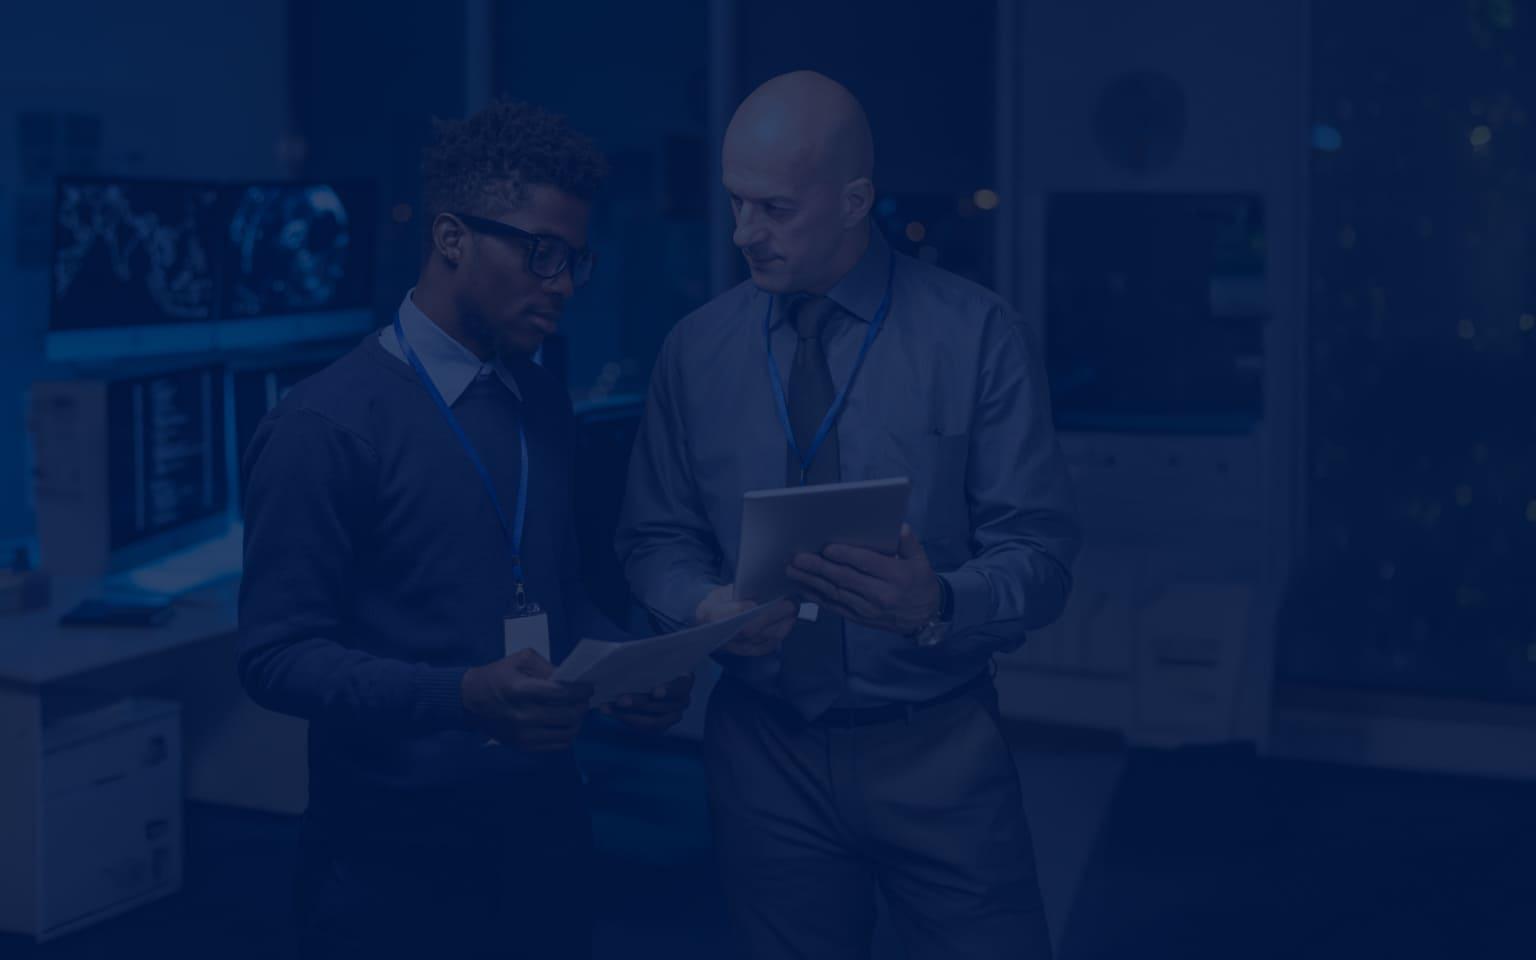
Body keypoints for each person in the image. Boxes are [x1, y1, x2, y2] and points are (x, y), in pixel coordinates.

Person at [616, 71, 1081, 959]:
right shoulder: (695, 350)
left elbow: (1042, 553)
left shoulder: (977, 335)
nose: (743, 233)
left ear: (855, 200)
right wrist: (697, 606)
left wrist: (937, 601)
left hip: (938, 747)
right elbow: (653, 537)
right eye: (735, 203)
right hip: (762, 755)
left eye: (774, 208)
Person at [238, 100, 692, 959]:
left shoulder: (544, 400)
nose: (562, 282)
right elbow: (274, 656)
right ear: (451, 238)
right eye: (540, 252)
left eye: (575, 260)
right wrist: (460, 696)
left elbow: (554, 602)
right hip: (388, 860)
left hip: (545, 837)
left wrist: (625, 667)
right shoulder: (325, 423)